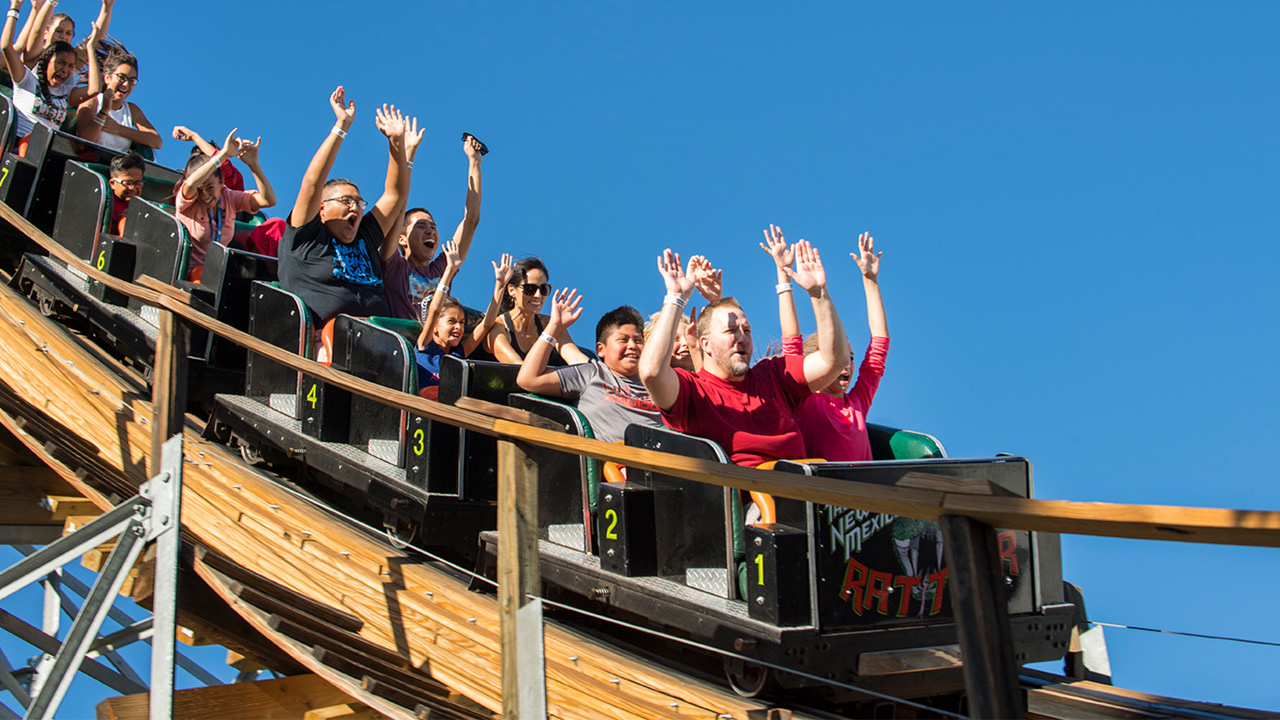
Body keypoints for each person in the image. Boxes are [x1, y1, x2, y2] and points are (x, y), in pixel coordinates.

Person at [638, 243, 847, 468]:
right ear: (705, 344)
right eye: (730, 331)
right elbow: (652, 373)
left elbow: (833, 361)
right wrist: (676, 298)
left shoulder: (773, 375)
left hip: (808, 491)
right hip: (751, 499)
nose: (742, 338)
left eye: (746, 330)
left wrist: (819, 294)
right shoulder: (692, 392)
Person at [278, 86, 412, 330]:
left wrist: (396, 143)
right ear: (322, 208)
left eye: (359, 203)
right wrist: (341, 127)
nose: (356, 208)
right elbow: (311, 183)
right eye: (346, 201)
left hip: (378, 343)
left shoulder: (365, 236)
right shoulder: (306, 236)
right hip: (319, 344)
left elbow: (395, 194)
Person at [763, 225, 888, 461]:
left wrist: (870, 280)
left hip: (860, 495)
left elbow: (879, 345)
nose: (847, 365)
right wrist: (784, 274)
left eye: (851, 359)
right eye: (840, 357)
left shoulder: (857, 402)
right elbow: (791, 342)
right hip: (822, 494)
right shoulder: (805, 401)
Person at [517, 299, 662, 444]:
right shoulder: (591, 374)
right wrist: (554, 327)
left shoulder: (657, 383)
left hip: (664, 460)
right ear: (601, 349)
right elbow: (528, 379)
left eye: (638, 341)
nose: (632, 346)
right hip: (614, 461)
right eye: (623, 340)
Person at [384, 134, 484, 321]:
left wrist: (475, 162)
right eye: (421, 226)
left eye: (433, 227)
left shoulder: (441, 270)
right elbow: (397, 207)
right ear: (402, 238)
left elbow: (471, 221)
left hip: (434, 346)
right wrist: (409, 154)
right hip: (402, 344)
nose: (430, 231)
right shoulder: (394, 266)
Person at [173, 128, 276, 279]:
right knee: (204, 275)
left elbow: (269, 201)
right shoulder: (188, 202)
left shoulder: (228, 197)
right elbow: (190, 185)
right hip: (187, 274)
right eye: (200, 189)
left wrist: (254, 165)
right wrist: (222, 155)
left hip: (217, 273)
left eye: (210, 188)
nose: (205, 195)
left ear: (221, 184)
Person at [413, 243, 511, 398]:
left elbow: (486, 324)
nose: (458, 327)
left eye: (462, 322)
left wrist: (500, 285)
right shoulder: (425, 346)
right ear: (435, 327)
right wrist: (449, 270)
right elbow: (435, 310)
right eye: (451, 322)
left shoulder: (458, 353)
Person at [1, 1, 100, 142]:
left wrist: (90, 48)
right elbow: (7, 47)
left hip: (44, 153)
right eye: (60, 63)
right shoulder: (26, 80)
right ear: (47, 61)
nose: (64, 70)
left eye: (70, 66)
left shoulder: (65, 93)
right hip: (18, 144)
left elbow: (94, 89)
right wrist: (14, 9)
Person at [480, 257, 589, 365]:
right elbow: (519, 369)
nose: (538, 295)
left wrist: (598, 370)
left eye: (543, 289)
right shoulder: (498, 328)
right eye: (529, 289)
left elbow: (575, 357)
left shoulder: (548, 324)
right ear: (512, 290)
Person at [74, 50, 161, 152]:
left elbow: (156, 141)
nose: (125, 85)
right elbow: (83, 144)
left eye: (131, 81)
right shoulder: (93, 102)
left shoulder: (132, 110)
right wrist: (103, 113)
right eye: (121, 78)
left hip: (118, 165)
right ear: (108, 78)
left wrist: (118, 129)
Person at [17, 0, 111, 71]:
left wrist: (107, 7)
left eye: (68, 33)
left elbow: (96, 40)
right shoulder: (35, 52)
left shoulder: (71, 61)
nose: (63, 36)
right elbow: (37, 31)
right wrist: (51, 2)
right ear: (46, 33)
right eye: (59, 31)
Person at [105, 150, 142, 234]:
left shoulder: (142, 208)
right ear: (113, 183)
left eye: (138, 183)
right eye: (128, 183)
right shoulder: (105, 204)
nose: (132, 188)